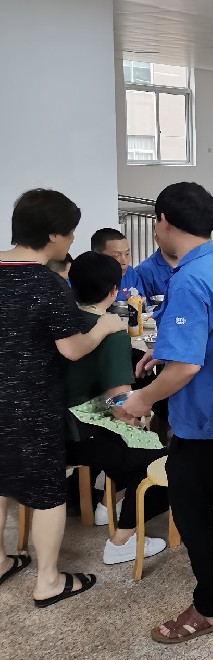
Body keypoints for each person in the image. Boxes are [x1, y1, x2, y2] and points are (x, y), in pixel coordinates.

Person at [121, 182, 213, 643]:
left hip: (202, 415)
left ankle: (211, 606)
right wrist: (164, 350)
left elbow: (187, 367)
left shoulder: (188, 279)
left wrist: (143, 398)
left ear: (163, 221)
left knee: (193, 509)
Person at [0, 189, 126, 608]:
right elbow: (72, 349)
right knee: (47, 492)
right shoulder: (48, 283)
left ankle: (1, 561)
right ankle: (48, 581)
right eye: (70, 233)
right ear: (53, 235)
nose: (72, 239)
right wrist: (104, 328)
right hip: (32, 404)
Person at [63, 251, 169, 565]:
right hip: (80, 433)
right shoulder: (110, 331)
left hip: (48, 426)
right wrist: (143, 413)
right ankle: (122, 541)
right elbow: (120, 402)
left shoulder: (60, 322)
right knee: (164, 459)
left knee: (129, 443)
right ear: (114, 292)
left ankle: (106, 507)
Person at [91, 227, 145, 300]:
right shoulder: (86, 279)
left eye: (127, 254)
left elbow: (142, 300)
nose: (124, 261)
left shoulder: (131, 274)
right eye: (116, 255)